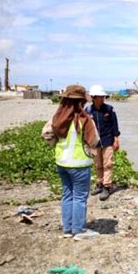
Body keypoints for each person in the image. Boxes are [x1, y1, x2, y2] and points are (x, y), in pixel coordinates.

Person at [42, 84, 100, 240]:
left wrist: (55, 143)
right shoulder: (85, 120)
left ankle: (68, 229)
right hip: (79, 165)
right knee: (80, 197)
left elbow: (46, 134)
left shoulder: (56, 118)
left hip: (61, 163)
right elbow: (95, 141)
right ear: (81, 102)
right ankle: (79, 231)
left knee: (67, 195)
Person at [86, 85, 121, 201]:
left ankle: (107, 186)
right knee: (98, 165)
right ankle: (99, 184)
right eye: (100, 97)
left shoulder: (109, 109)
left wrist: (116, 139)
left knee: (108, 164)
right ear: (93, 97)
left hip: (108, 141)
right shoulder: (88, 111)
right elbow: (86, 127)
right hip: (95, 142)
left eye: (103, 96)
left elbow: (114, 125)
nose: (102, 98)